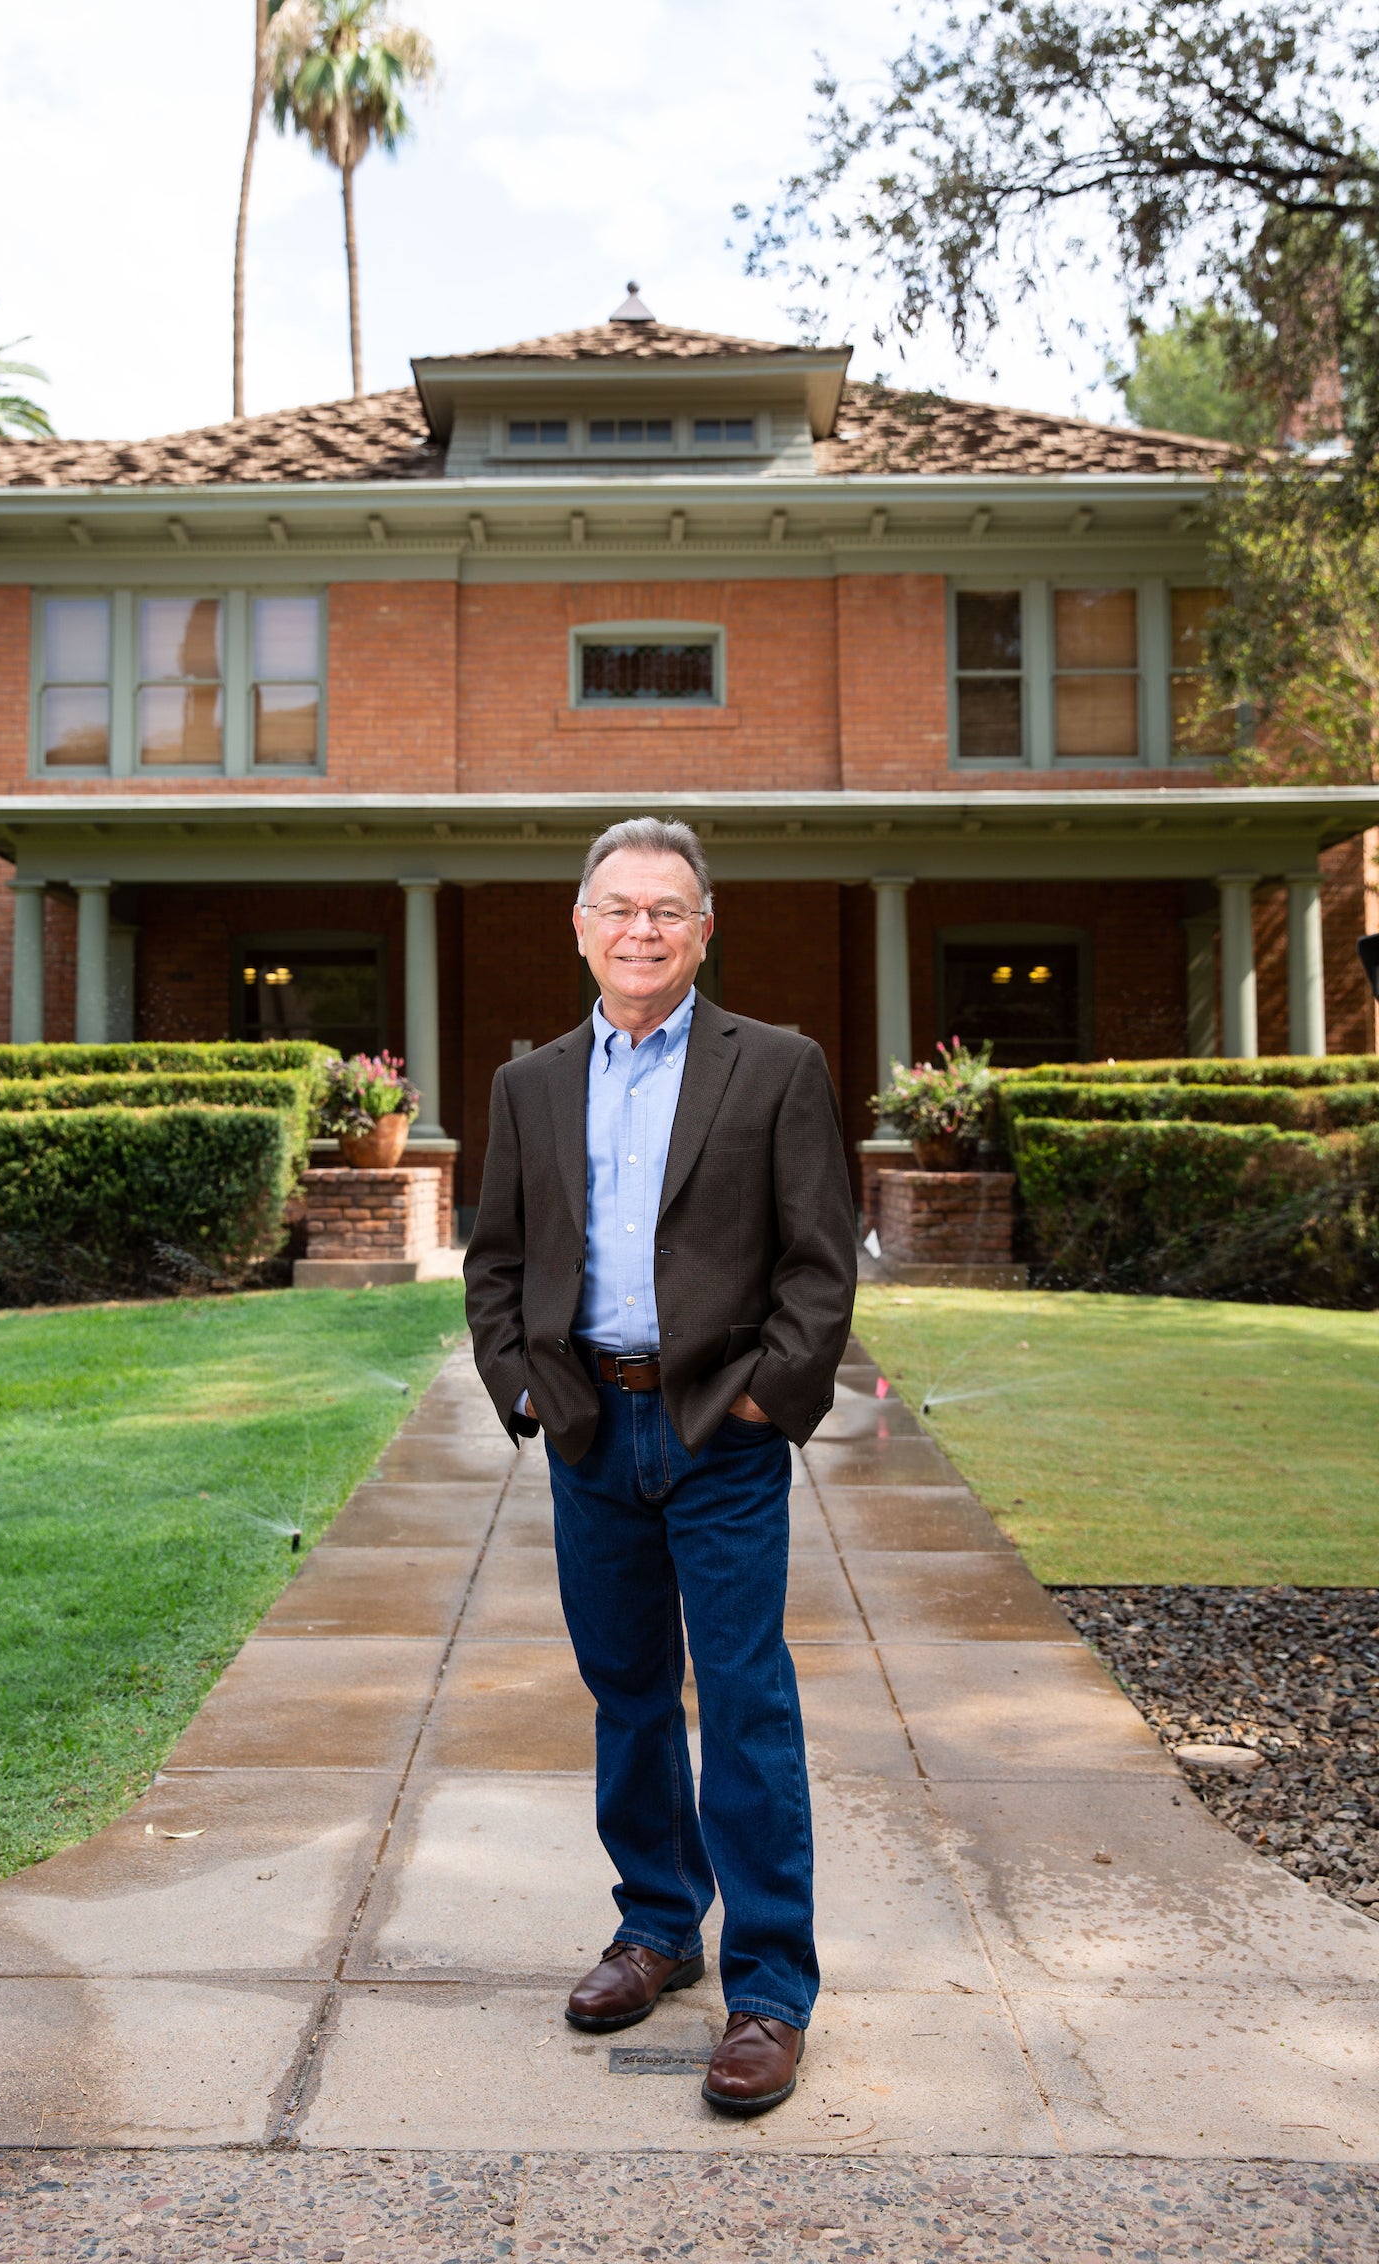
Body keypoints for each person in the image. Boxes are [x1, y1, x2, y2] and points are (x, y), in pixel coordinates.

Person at [463, 815, 857, 2116]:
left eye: (668, 910)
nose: (642, 929)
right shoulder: (528, 1085)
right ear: (580, 926)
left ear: (704, 930)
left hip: (717, 1433)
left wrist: (764, 1403)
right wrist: (524, 1386)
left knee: (745, 1702)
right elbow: (498, 1262)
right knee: (628, 1692)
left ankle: (769, 1991)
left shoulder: (778, 1068)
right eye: (619, 907)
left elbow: (817, 1262)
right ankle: (654, 1929)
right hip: (591, 1428)